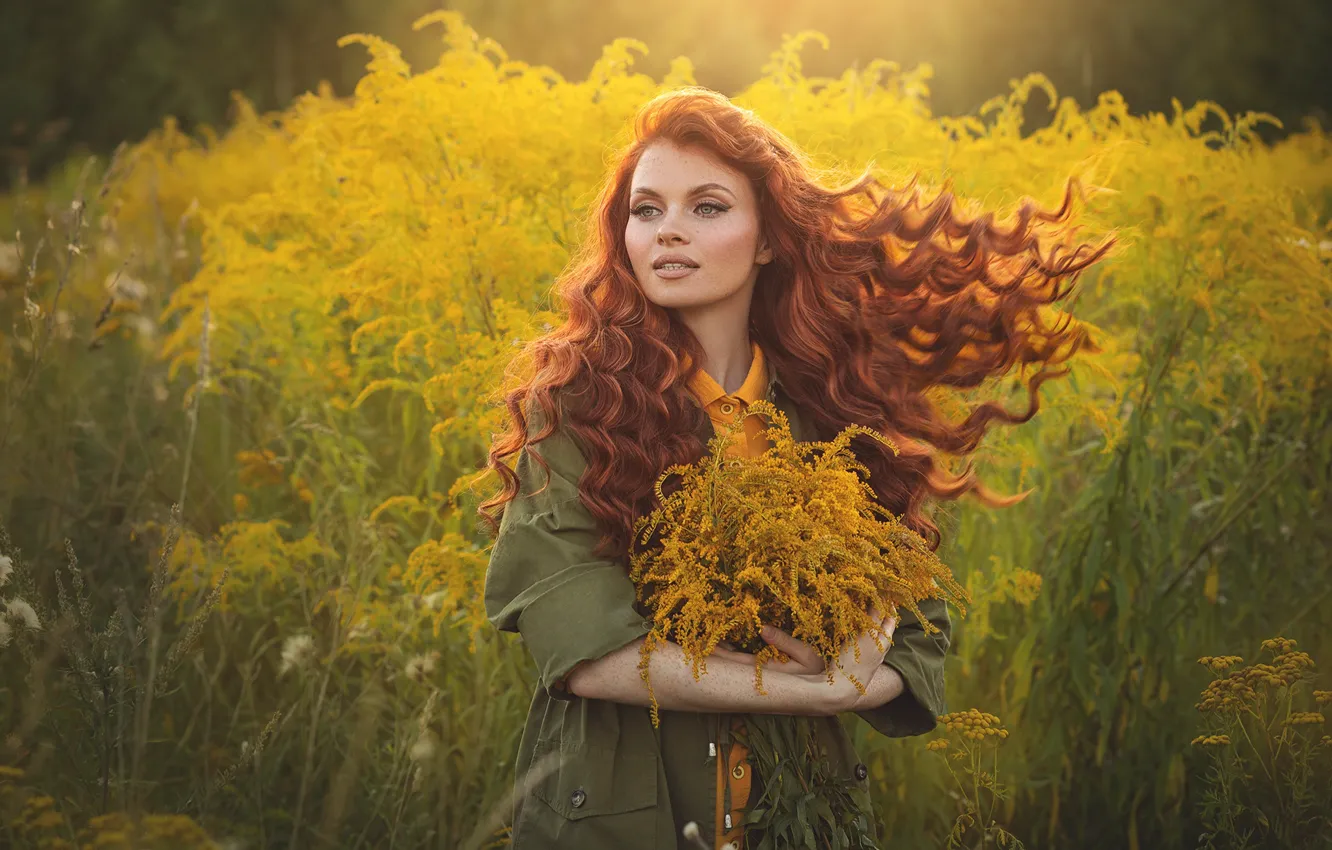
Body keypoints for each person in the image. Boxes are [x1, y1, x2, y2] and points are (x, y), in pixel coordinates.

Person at [479, 87, 1114, 849]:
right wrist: (810, 692)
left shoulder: (834, 412)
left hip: (803, 818)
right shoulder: (578, 405)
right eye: (646, 211)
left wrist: (857, 675)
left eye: (706, 207)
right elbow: (583, 650)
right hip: (622, 817)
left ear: (770, 239)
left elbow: (913, 627)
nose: (667, 232)